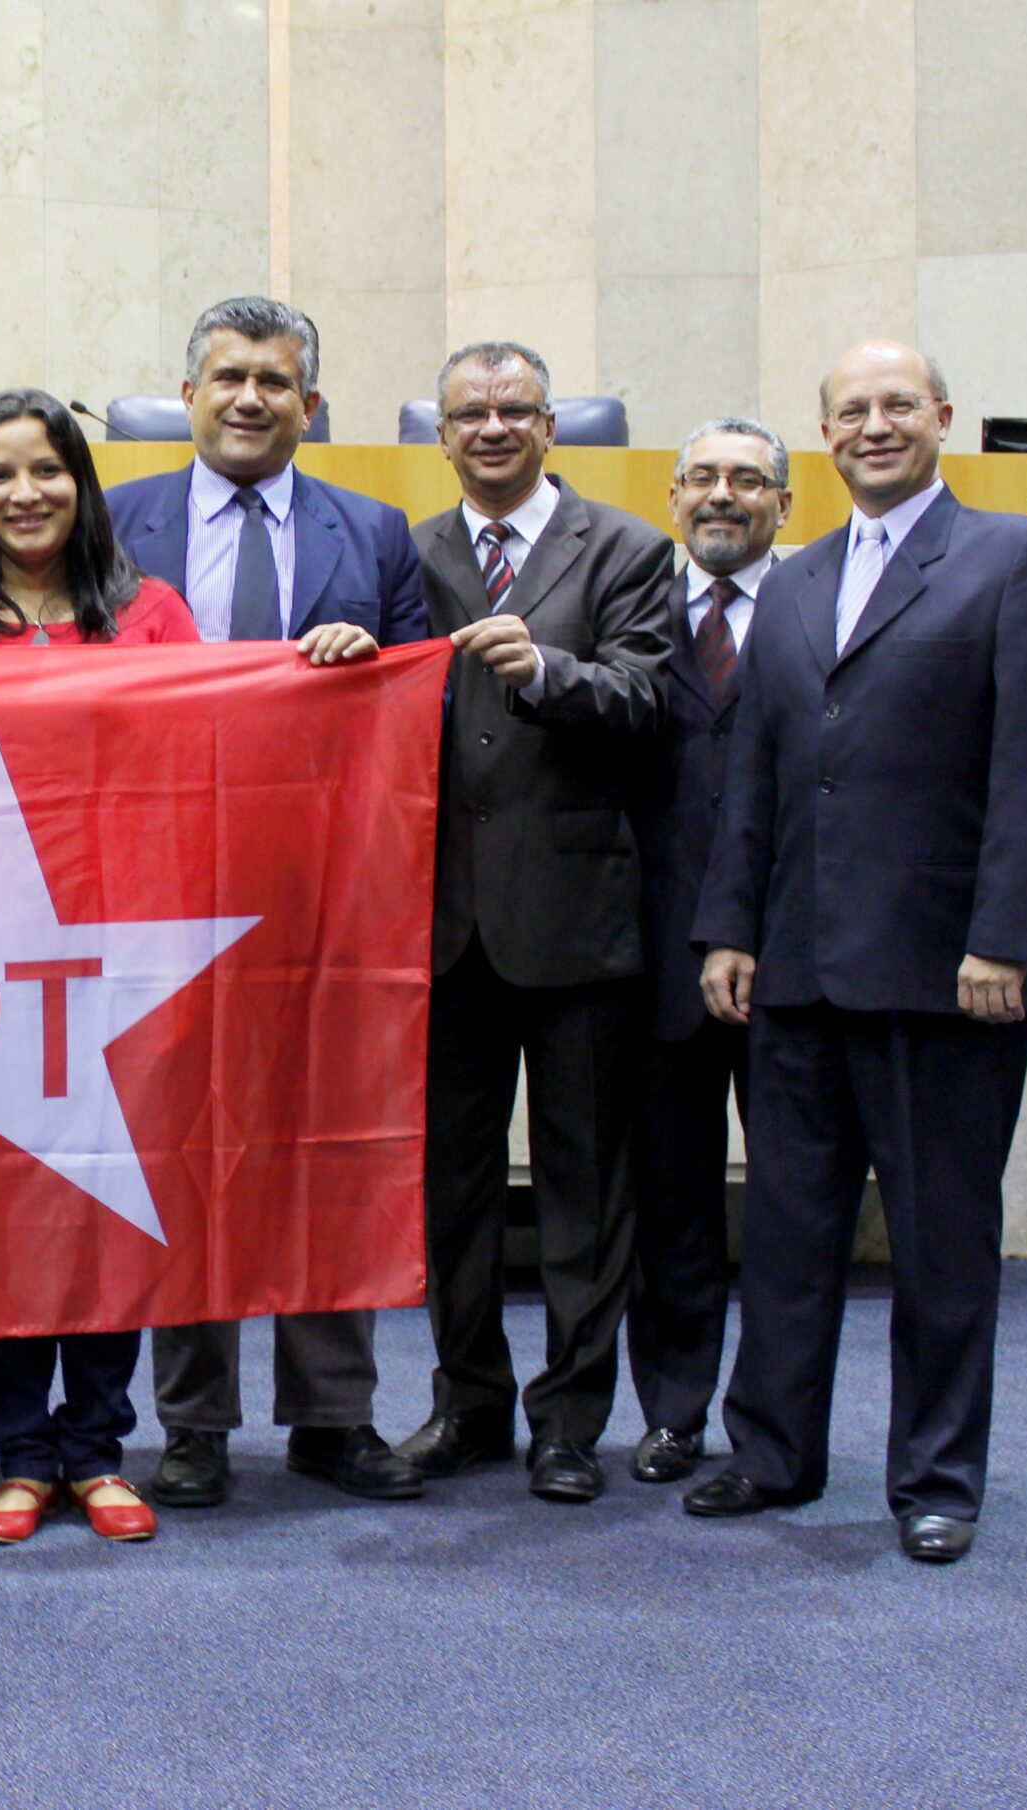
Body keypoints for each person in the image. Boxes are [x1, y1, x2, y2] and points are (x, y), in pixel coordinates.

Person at [684, 341, 1027, 1564]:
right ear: (824, 434)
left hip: (946, 974)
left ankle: (936, 1478)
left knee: (938, 1238)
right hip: (797, 973)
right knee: (789, 1232)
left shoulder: (1014, 557)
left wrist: (1005, 938)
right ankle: (770, 1451)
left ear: (941, 420)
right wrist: (728, 927)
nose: (873, 425)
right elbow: (753, 775)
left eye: (895, 406)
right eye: (850, 410)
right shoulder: (798, 576)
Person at [104, 295, 429, 1509]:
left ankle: (333, 1415)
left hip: (327, 893)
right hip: (160, 893)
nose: (250, 398)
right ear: (186, 396)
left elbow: (420, 711)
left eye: (276, 382)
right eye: (228, 377)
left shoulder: (377, 534)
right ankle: (192, 1422)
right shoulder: (115, 524)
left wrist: (366, 677)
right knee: (183, 1153)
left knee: (324, 1147)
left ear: (310, 405)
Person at [0, 386, 196, 1544]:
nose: (24, 493)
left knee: (102, 1196)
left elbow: (210, 756)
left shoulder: (151, 613)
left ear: (81, 483)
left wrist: (327, 669)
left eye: (47, 470)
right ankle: (19, 1450)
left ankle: (98, 1448)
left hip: (114, 954)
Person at [398, 341, 674, 1505]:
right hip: (442, 929)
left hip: (576, 924)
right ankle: (465, 1404)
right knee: (449, 1193)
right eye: (470, 413)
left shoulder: (625, 548)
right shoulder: (404, 555)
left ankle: (566, 1419)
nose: (493, 428)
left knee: (580, 1187)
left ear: (552, 426)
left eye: (515, 410)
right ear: (442, 435)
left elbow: (653, 699)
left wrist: (551, 671)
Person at [618, 416, 790, 1487]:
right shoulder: (633, 610)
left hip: (793, 963)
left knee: (787, 1210)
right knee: (669, 1206)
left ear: (785, 503)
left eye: (748, 480)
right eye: (702, 480)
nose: (722, 496)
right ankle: (672, 1412)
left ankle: (772, 1422)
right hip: (653, 959)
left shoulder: (821, 608)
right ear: (671, 498)